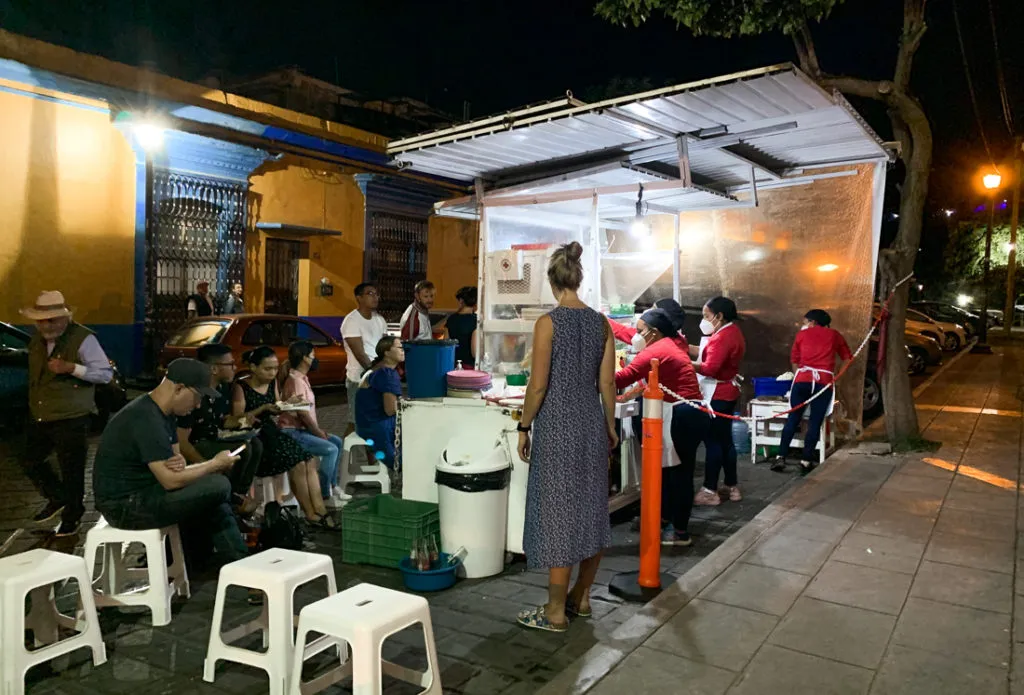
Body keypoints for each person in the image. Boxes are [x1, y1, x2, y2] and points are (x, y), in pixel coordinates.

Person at [515, 241, 617, 633]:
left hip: (557, 427)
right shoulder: (601, 323)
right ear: (578, 278)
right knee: (592, 509)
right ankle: (583, 596)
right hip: (591, 424)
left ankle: (555, 611)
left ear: (552, 282)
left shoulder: (549, 323)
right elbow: (606, 381)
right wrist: (609, 425)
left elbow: (537, 386)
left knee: (559, 513)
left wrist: (524, 426)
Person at [92, 358, 247, 569]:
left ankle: (235, 563)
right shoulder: (145, 418)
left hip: (147, 492)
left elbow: (176, 462)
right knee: (218, 486)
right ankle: (239, 565)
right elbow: (171, 481)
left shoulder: (165, 413)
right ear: (179, 389)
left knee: (213, 493)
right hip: (125, 505)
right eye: (197, 397)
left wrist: (181, 462)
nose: (198, 405)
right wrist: (214, 464)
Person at [19, 290, 113, 537]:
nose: (46, 325)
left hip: (73, 414)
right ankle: (58, 497)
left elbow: (104, 374)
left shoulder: (83, 339)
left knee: (71, 468)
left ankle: (72, 516)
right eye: (41, 320)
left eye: (52, 320)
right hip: (41, 412)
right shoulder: (36, 341)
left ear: (64, 318)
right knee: (29, 459)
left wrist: (72, 368)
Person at [614, 307, 708, 547]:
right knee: (671, 472)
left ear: (653, 333)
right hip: (685, 412)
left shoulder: (657, 351)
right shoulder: (667, 345)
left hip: (682, 414)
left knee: (680, 474)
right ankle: (667, 520)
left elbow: (623, 377)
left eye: (640, 331)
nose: (635, 335)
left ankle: (680, 531)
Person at [232, 346, 335, 529]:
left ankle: (320, 509)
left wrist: (287, 404)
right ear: (253, 367)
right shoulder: (241, 387)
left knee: (308, 459)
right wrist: (262, 409)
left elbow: (277, 404)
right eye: (267, 369)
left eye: (275, 368)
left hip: (273, 432)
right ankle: (310, 513)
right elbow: (239, 418)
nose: (273, 373)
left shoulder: (273, 383)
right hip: (256, 437)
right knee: (296, 461)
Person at [175, 344, 261, 515]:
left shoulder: (221, 389)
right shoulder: (192, 394)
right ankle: (230, 501)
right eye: (230, 364)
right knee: (243, 451)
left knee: (255, 444)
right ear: (214, 368)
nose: (234, 368)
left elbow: (221, 421)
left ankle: (238, 495)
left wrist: (241, 420)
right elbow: (182, 442)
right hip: (197, 444)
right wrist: (206, 466)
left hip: (216, 437)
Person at [773, 309, 852, 475]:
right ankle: (806, 461)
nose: (804, 325)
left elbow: (794, 360)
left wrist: (799, 375)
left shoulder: (801, 336)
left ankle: (780, 457)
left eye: (805, 322)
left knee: (793, 419)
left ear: (813, 322)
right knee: (815, 422)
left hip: (802, 380)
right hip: (823, 382)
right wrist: (838, 375)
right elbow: (847, 357)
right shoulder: (834, 335)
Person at [691, 296, 746, 507]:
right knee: (725, 441)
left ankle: (709, 490)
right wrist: (687, 348)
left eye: (706, 316)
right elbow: (708, 354)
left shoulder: (724, 337)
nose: (704, 320)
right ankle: (731, 486)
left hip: (718, 395)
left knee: (713, 441)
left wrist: (682, 362)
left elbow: (709, 368)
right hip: (727, 392)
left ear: (719, 316)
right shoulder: (731, 331)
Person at [280, 340, 349, 504]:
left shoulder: (302, 378)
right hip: (292, 432)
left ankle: (332, 485)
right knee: (330, 449)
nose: (315, 359)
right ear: (304, 358)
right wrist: (317, 432)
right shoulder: (296, 381)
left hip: (302, 430)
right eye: (313, 355)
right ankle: (325, 494)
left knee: (337, 442)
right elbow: (303, 414)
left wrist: (317, 431)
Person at [341, 283, 388, 432]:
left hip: (376, 376)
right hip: (358, 379)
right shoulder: (352, 321)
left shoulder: (379, 320)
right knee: (355, 423)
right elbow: (360, 354)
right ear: (359, 298)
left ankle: (373, 455)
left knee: (373, 424)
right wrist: (375, 373)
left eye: (376, 294)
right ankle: (346, 455)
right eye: (370, 294)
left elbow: (384, 347)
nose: (375, 297)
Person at [355, 337, 404, 470]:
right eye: (399, 347)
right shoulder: (386, 374)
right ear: (386, 352)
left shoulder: (375, 369)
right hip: (378, 431)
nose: (403, 350)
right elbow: (390, 409)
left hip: (365, 427)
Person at [443, 286, 479, 368]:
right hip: (469, 367)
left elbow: (445, 346)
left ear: (461, 301)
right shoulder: (476, 321)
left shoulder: (451, 319)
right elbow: (474, 352)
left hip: (452, 366)